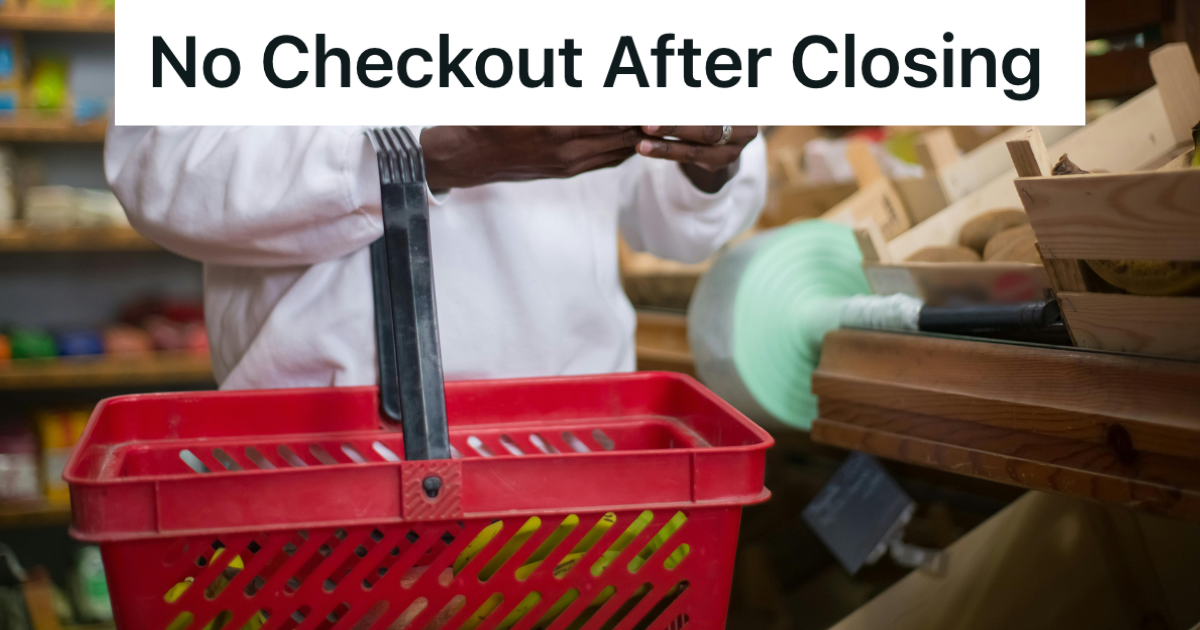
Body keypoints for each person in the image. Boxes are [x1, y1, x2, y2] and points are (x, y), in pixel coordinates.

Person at [104, 126, 766, 390]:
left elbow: (677, 220)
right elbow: (160, 165)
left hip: (576, 438)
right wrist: (421, 151)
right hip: (328, 453)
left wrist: (710, 152)